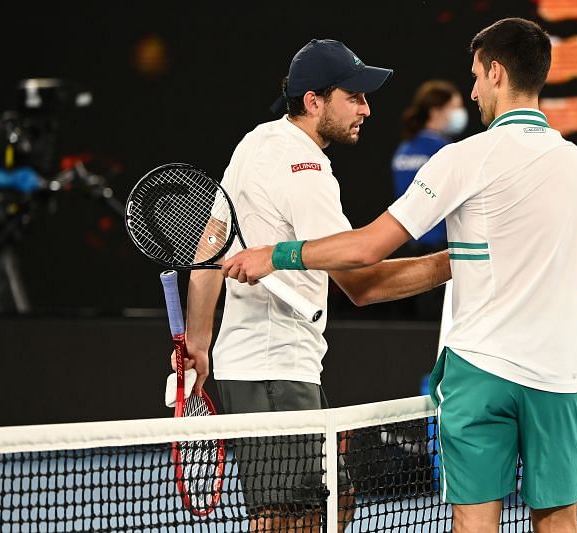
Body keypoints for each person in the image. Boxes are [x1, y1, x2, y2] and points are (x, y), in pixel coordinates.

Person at [221, 18, 577, 533]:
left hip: (482, 371)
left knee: (474, 522)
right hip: (558, 377)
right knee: (559, 521)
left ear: (496, 72)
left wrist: (278, 255)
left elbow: (365, 250)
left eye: (474, 76)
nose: (470, 91)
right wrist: (516, 261)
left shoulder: (461, 159)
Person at [180, 39, 451, 532]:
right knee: (291, 514)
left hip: (262, 364)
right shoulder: (304, 169)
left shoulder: (255, 142)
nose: (366, 109)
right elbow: (362, 284)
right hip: (273, 367)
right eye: (355, 97)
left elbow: (209, 246)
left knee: (324, 502)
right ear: (314, 102)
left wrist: (199, 341)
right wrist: (457, 262)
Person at [392, 80, 466, 255]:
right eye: (455, 108)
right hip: (438, 247)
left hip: (407, 243)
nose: (459, 114)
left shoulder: (404, 149)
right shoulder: (443, 150)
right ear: (436, 111)